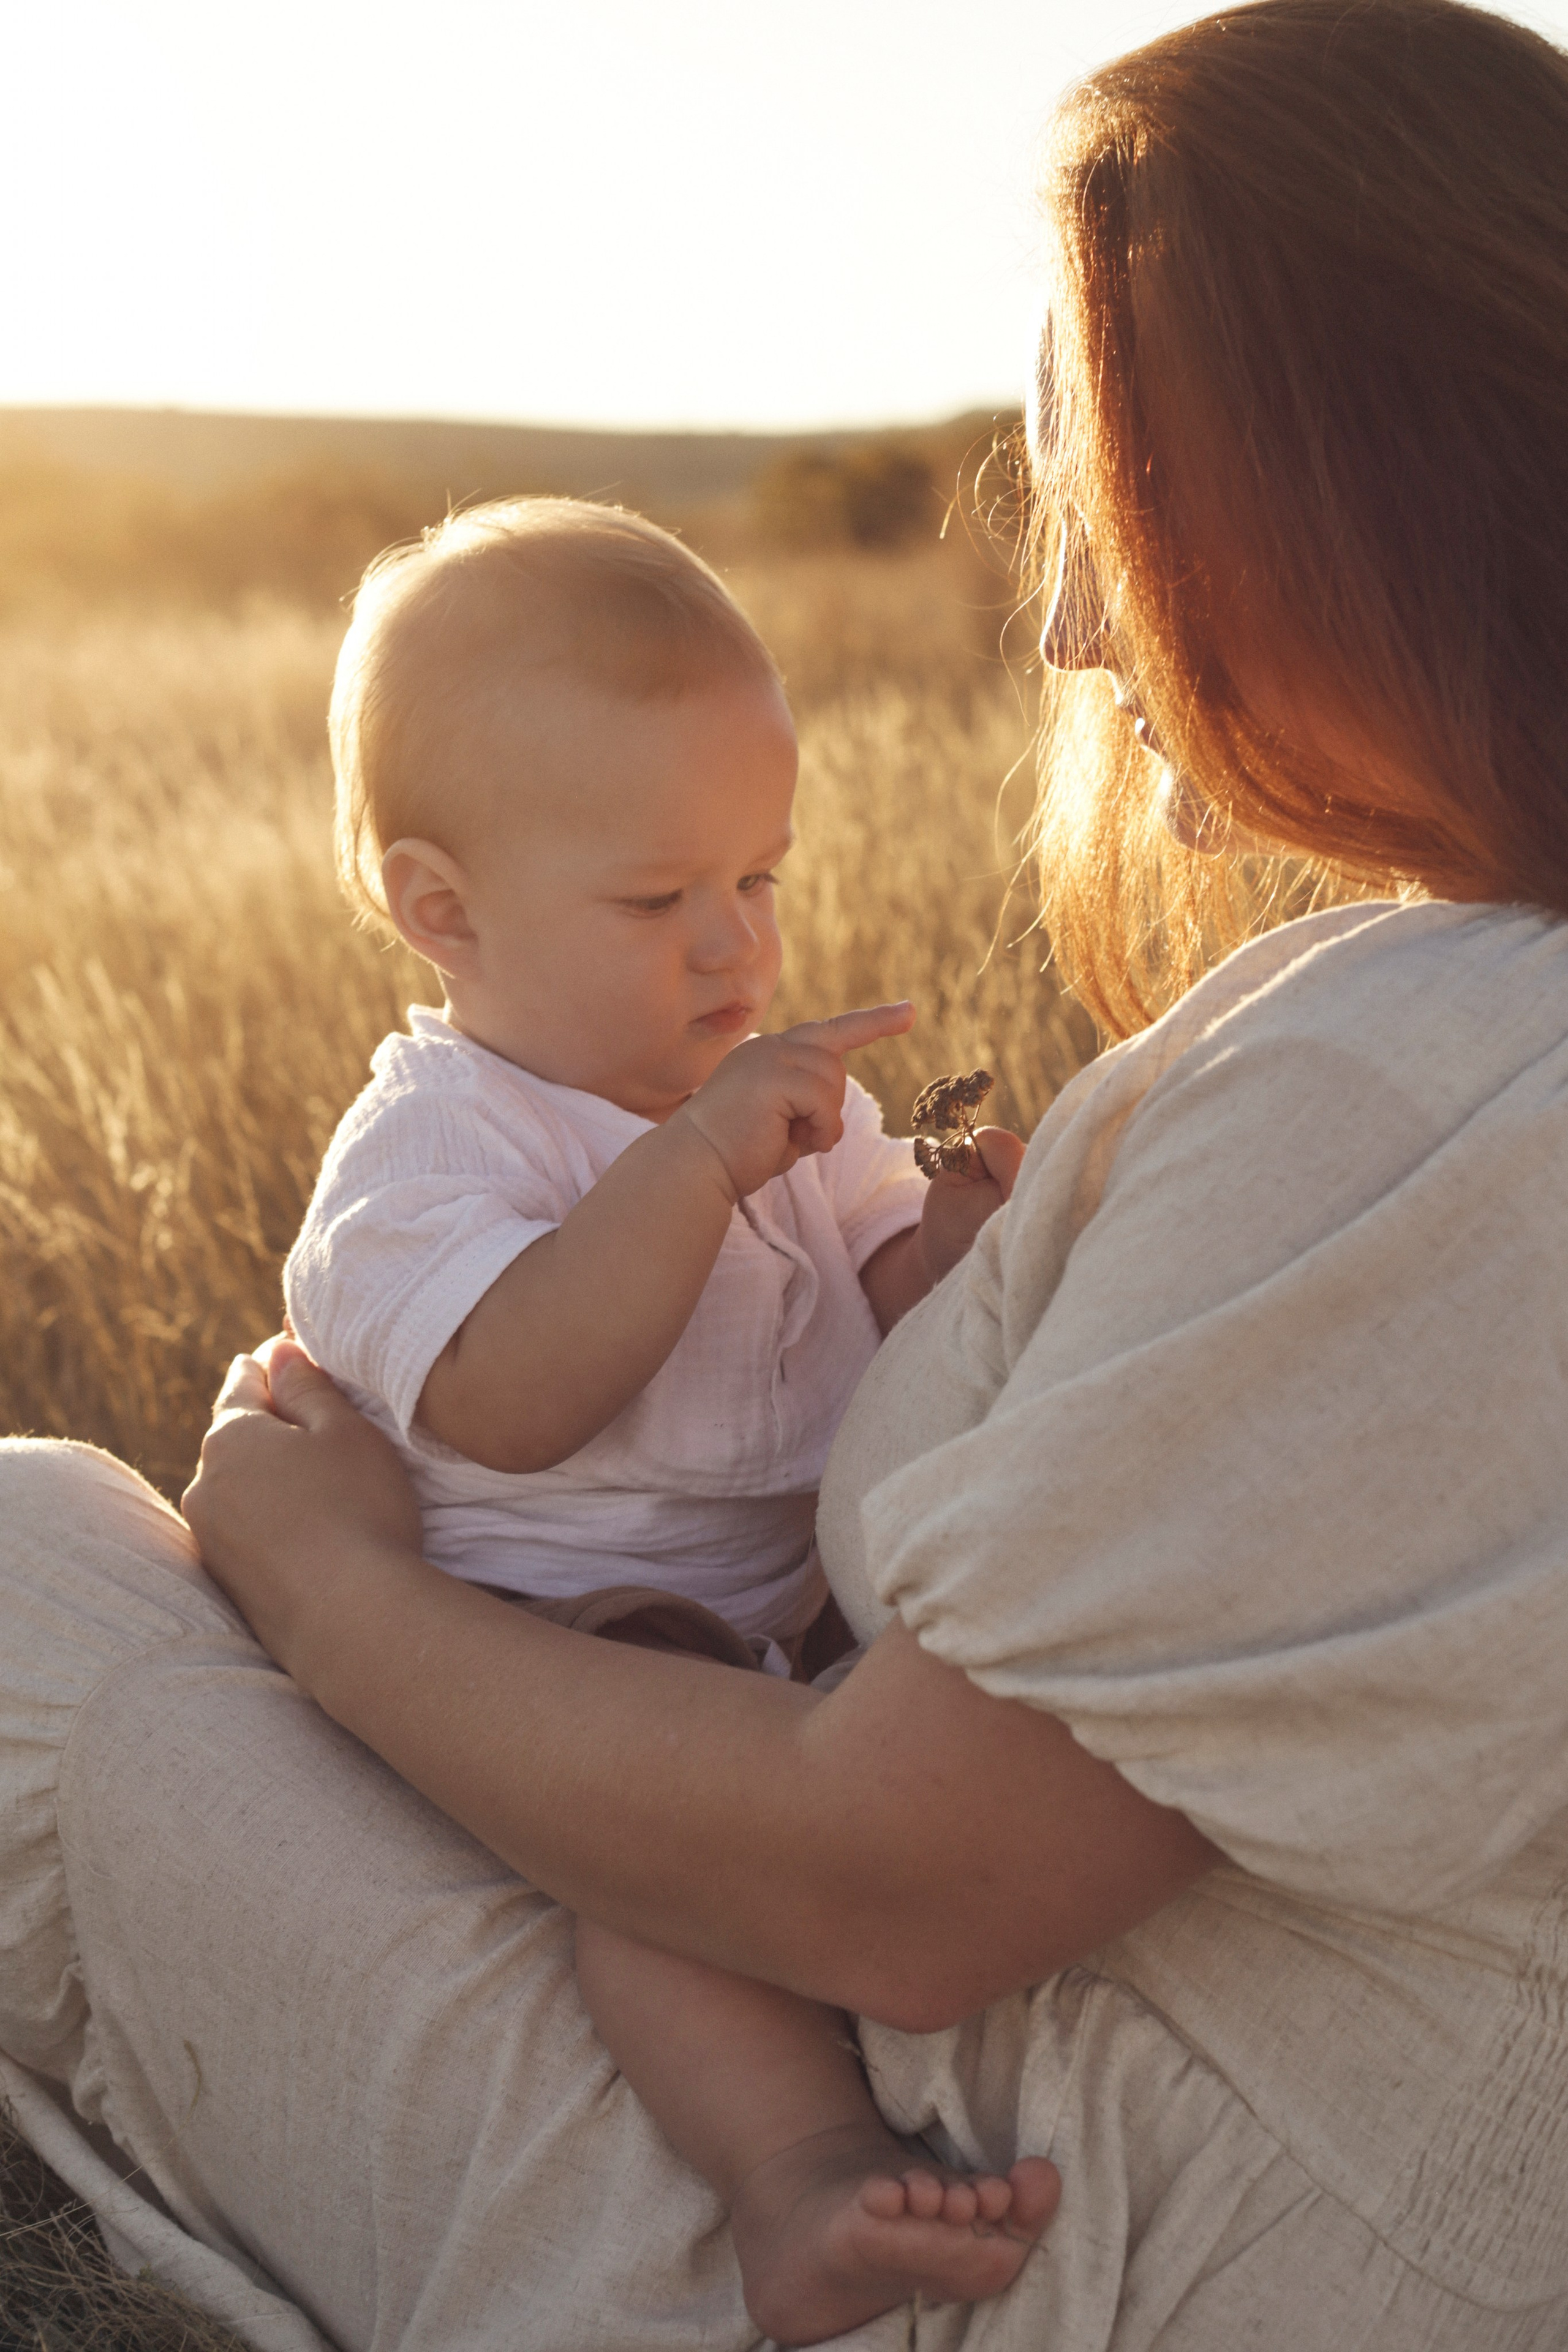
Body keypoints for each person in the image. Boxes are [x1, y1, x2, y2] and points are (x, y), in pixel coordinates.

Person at [4, 1, 1568, 2345]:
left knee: (29, 1566)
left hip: (1040, 2234)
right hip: (1059, 2078)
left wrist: (325, 1593)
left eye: (1115, 503)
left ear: (1357, 486)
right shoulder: (1445, 1046)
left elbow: (893, 1881)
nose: (1070, 623)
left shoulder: (1442, 1064)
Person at [282, 496, 1054, 2343]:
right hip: (566, 1639)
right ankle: (796, 2172)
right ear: (441, 910)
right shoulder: (427, 1155)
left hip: (801, 1609)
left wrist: (952, 1247)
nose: (737, 950)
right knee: (662, 1886)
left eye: (759, 878)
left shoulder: (769, 1098)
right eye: (658, 903)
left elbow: (881, 1309)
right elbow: (516, 1394)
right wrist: (697, 1165)